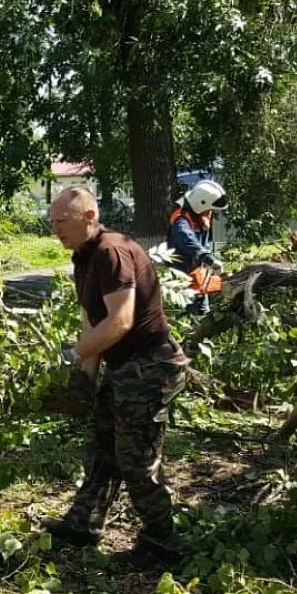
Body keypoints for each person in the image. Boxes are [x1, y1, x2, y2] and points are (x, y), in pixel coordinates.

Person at [43, 187, 189, 561]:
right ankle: (83, 525)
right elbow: (93, 320)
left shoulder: (111, 251)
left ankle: (162, 541)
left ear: (89, 216)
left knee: (135, 459)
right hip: (124, 366)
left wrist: (74, 354)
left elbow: (120, 321)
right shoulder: (84, 255)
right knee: (102, 447)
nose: (55, 228)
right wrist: (83, 374)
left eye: (62, 221)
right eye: (51, 221)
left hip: (149, 367)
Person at [167, 180, 228, 316]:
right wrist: (206, 256)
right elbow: (188, 240)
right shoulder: (181, 221)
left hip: (198, 279)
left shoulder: (200, 219)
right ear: (201, 204)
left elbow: (205, 244)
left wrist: (212, 260)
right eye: (209, 209)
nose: (210, 213)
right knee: (185, 319)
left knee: (203, 314)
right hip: (181, 283)